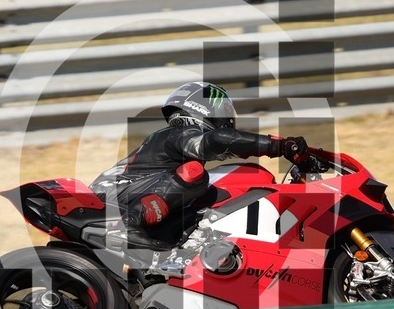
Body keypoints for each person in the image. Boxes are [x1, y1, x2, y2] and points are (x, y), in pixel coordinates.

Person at [89, 81, 308, 256]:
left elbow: (225, 145)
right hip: (112, 198)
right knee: (194, 174)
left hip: (121, 194)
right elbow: (219, 140)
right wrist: (278, 145)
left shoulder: (171, 140)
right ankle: (128, 225)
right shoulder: (179, 134)